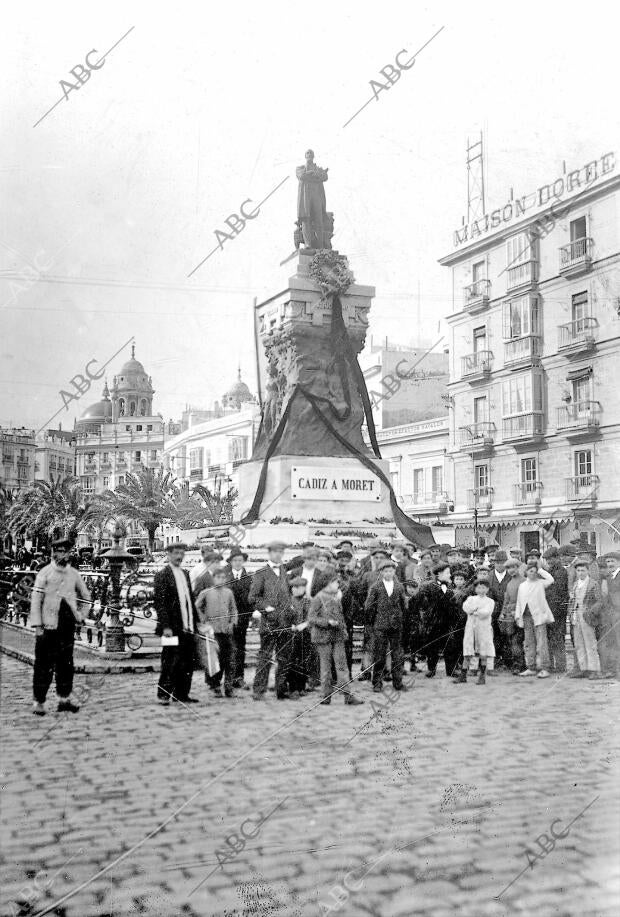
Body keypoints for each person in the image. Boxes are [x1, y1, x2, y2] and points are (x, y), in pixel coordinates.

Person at [30, 538, 91, 715]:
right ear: (54, 553)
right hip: (47, 626)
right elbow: (36, 600)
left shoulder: (74, 574)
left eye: (68, 551)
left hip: (66, 625)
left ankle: (63, 699)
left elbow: (86, 596)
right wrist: (38, 625)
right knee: (43, 665)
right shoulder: (45, 573)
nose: (65, 555)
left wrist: (81, 615)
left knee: (66, 664)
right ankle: (39, 702)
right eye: (61, 551)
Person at [154, 543, 200, 705]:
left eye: (181, 553)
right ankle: (164, 694)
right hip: (172, 628)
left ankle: (182, 694)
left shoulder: (185, 574)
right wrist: (166, 626)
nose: (179, 556)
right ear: (168, 555)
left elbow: (189, 601)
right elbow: (160, 603)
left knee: (187, 662)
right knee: (170, 661)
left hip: (188, 626)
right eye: (176, 553)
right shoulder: (162, 575)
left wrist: (196, 622)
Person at [307, 574, 364, 705]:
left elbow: (341, 616)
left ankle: (347, 695)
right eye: (335, 582)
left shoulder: (336, 596)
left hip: (337, 636)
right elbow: (311, 618)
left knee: (342, 666)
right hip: (323, 638)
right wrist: (327, 622)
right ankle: (326, 696)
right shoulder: (318, 598)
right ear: (328, 583)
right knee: (326, 668)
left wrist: (343, 631)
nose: (338, 585)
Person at [248, 541, 292, 701]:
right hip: (269, 623)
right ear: (270, 553)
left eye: (281, 552)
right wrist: (266, 607)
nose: (278, 554)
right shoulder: (261, 573)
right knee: (265, 657)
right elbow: (253, 597)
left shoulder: (284, 572)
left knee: (284, 658)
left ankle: (281, 690)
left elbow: (288, 595)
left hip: (285, 623)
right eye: (275, 552)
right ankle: (259, 690)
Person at [364, 560, 407, 693]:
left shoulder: (399, 587)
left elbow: (403, 605)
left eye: (391, 571)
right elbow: (369, 606)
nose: (388, 573)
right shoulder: (376, 587)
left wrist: (400, 619)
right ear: (381, 572)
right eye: (386, 571)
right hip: (380, 626)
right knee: (379, 655)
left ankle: (398, 682)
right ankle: (377, 683)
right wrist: (372, 623)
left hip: (396, 626)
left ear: (394, 572)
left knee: (397, 655)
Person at [196, 567, 238, 697]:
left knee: (229, 659)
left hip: (226, 630)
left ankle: (229, 687)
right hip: (212, 632)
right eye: (218, 577)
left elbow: (233, 609)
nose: (221, 580)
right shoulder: (206, 592)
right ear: (213, 578)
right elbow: (196, 607)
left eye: (223, 578)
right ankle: (215, 685)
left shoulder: (228, 593)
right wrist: (204, 620)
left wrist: (232, 623)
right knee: (215, 660)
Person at [415, 562, 457, 678]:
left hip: (447, 623)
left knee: (450, 646)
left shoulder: (450, 587)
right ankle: (431, 669)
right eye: (447, 573)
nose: (450, 575)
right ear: (439, 574)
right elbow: (422, 604)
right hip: (433, 623)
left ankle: (451, 670)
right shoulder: (428, 587)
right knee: (432, 647)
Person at [514, 560, 555, 679]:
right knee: (529, 643)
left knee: (542, 643)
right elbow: (519, 602)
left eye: (535, 571)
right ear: (526, 572)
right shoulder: (522, 586)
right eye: (530, 571)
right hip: (527, 617)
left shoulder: (540, 583)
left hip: (539, 617)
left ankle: (545, 667)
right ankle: (531, 667)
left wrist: (540, 569)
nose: (533, 573)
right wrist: (518, 615)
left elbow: (551, 579)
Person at [567, 560, 602, 680]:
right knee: (579, 643)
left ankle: (594, 670)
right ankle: (583, 668)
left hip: (587, 616)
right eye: (578, 570)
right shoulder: (576, 584)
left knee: (590, 643)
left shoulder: (593, 584)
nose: (581, 573)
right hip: (576, 616)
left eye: (583, 570)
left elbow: (599, 601)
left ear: (588, 571)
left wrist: (591, 612)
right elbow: (572, 601)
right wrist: (571, 613)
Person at [224, 547, 253, 689]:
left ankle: (239, 677)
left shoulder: (248, 579)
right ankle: (228, 679)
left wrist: (248, 615)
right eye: (235, 560)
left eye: (240, 560)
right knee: (228, 649)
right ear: (230, 562)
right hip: (227, 620)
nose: (237, 563)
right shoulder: (224, 577)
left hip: (242, 620)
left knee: (240, 648)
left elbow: (251, 599)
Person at [461, 580, 496, 684]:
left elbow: (486, 612)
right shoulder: (471, 599)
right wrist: (473, 610)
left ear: (487, 589)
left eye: (484, 588)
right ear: (475, 589)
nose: (481, 590)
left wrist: (476, 612)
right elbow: (466, 607)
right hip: (471, 629)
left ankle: (482, 676)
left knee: (483, 652)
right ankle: (463, 675)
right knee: (468, 651)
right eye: (479, 588)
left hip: (483, 629)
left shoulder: (490, 601)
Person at [542, 548, 569, 674]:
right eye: (547, 559)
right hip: (549, 609)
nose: (548, 561)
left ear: (557, 558)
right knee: (550, 638)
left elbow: (558, 591)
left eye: (550, 559)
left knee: (558, 638)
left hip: (557, 610)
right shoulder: (550, 571)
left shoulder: (561, 572)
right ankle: (552, 664)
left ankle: (561, 665)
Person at [285, 577, 311, 696]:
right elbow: (284, 616)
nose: (296, 590)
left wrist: (305, 624)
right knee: (292, 661)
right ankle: (293, 687)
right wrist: (290, 625)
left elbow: (312, 617)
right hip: (291, 635)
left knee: (304, 661)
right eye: (294, 587)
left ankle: (302, 686)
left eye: (299, 587)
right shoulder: (288, 601)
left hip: (305, 635)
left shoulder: (308, 601)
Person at [499, 559, 525, 674]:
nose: (511, 570)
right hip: (510, 616)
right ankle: (515, 664)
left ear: (518, 567)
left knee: (516, 641)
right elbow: (506, 600)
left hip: (520, 614)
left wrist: (516, 610)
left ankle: (520, 665)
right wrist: (502, 613)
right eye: (508, 568)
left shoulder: (523, 581)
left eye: (513, 567)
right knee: (511, 640)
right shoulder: (509, 583)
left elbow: (525, 599)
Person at [598, 552, 620, 677]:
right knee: (612, 642)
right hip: (611, 614)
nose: (610, 564)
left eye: (612, 561)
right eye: (608, 562)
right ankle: (613, 670)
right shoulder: (609, 577)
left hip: (618, 613)